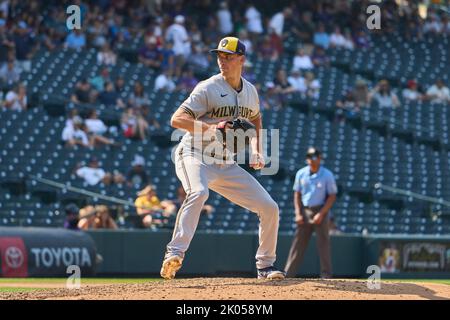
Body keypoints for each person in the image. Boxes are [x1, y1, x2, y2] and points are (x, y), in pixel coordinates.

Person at [160, 37, 285, 280]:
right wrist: (213, 127)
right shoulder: (207, 87)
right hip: (194, 154)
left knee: (269, 208)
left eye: (228, 56)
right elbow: (177, 120)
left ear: (242, 60)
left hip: (225, 163)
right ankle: (174, 254)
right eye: (219, 56)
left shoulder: (250, 91)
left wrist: (257, 149)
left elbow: (256, 119)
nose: (222, 61)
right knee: (198, 192)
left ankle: (265, 266)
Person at [284, 147, 337, 279]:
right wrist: (298, 213)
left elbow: (332, 196)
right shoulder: (301, 173)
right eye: (309, 157)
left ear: (319, 158)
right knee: (297, 244)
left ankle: (326, 276)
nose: (311, 160)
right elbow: (297, 194)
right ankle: (288, 274)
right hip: (305, 210)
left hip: (321, 210)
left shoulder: (327, 175)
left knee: (323, 244)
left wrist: (322, 213)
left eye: (314, 157)